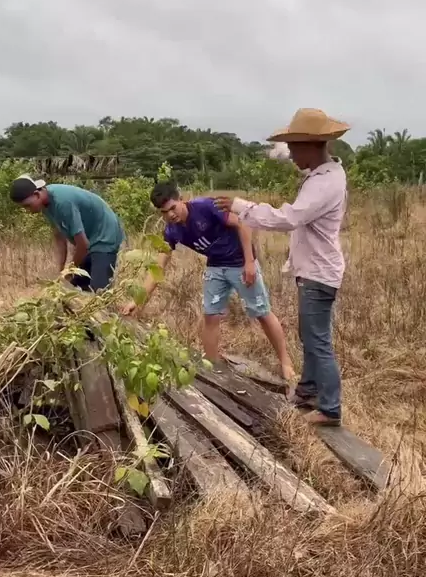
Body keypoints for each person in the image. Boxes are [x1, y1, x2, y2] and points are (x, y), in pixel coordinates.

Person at [215, 108, 349, 427]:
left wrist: (241, 206)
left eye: (293, 147)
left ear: (310, 145)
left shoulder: (324, 183)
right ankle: (308, 390)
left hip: (319, 273)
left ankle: (330, 408)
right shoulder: (325, 176)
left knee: (317, 340)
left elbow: (288, 218)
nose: (290, 154)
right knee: (310, 335)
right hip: (315, 270)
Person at [122, 180, 294, 380]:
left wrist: (249, 262)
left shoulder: (205, 207)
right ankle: (212, 369)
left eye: (172, 208)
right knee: (210, 316)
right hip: (215, 266)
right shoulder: (171, 231)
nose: (170, 215)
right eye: (164, 212)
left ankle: (286, 363)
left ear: (181, 199)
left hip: (239, 262)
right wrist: (137, 301)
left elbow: (242, 223)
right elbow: (158, 269)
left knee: (262, 312)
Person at [9, 175, 124, 292]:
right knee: (75, 288)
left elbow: (83, 245)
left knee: (99, 292)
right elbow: (59, 236)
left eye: (27, 206)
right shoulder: (45, 204)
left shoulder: (62, 202)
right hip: (90, 238)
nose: (28, 211)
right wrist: (61, 271)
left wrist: (70, 271)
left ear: (37, 194)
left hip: (105, 234)